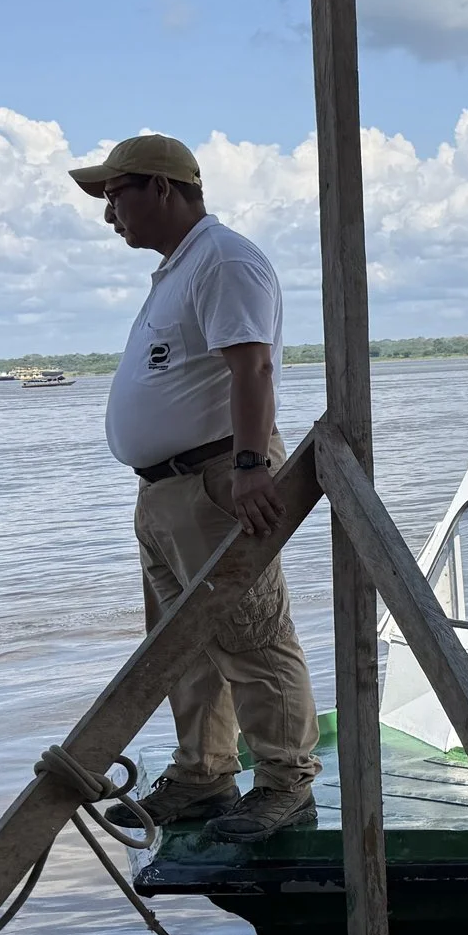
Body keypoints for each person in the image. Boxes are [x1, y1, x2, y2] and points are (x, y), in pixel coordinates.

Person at [75, 133, 320, 842]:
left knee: (250, 635)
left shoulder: (224, 259)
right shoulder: (180, 269)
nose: (109, 214)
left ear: (161, 187)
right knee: (181, 643)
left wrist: (248, 467)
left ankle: (286, 781)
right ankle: (205, 773)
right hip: (167, 489)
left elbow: (252, 368)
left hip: (218, 478)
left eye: (115, 195)